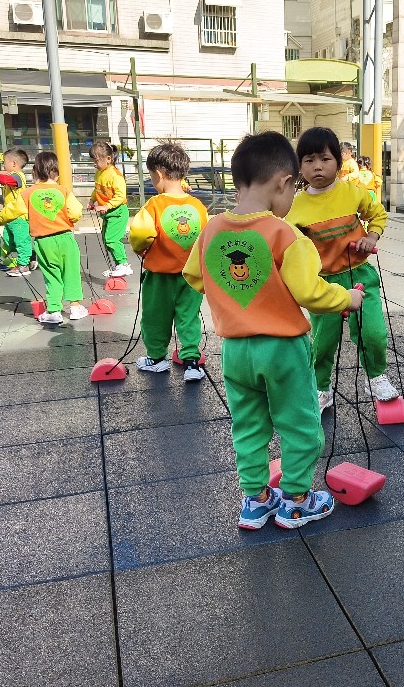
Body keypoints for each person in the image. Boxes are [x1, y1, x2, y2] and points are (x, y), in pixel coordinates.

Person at [182, 131, 363, 530]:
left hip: (235, 351)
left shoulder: (212, 229)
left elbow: (194, 276)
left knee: (248, 425)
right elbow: (310, 292)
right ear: (284, 182)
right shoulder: (285, 234)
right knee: (300, 424)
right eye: (294, 189)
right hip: (282, 348)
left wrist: (232, 295)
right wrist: (347, 299)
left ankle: (256, 500)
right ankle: (296, 500)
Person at [286, 127, 399, 413]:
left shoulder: (352, 192)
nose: (317, 166)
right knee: (323, 341)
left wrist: (370, 237)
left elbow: (378, 214)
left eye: (325, 159)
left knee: (372, 332)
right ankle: (321, 387)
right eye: (309, 160)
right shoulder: (295, 206)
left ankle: (376, 376)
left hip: (360, 276)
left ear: (338, 161)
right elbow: (287, 243)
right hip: (324, 283)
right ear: (300, 166)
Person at [129, 142, 209, 381]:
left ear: (159, 174)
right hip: (190, 276)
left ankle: (156, 358)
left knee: (155, 316)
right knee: (189, 317)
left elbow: (140, 234)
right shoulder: (198, 206)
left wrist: (141, 250)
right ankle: (192, 362)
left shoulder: (154, 205)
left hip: (160, 276)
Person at [23, 151, 87, 325]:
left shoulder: (27, 193)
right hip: (65, 238)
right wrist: (67, 219)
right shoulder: (63, 191)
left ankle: (53, 310)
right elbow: (76, 212)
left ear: (34, 172)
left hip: (43, 241)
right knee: (71, 272)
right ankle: (75, 307)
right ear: (57, 174)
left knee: (51, 275)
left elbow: (13, 211)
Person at [88, 141, 133, 278]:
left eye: (96, 160)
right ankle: (118, 265)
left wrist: (106, 206)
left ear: (108, 159)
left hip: (118, 212)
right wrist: (92, 200)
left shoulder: (115, 175)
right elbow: (97, 189)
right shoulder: (99, 173)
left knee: (112, 239)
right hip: (108, 213)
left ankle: (124, 265)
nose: (94, 164)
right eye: (93, 161)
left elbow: (120, 196)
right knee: (106, 239)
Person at [0, 148, 34, 276]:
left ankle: (23, 265)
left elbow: (5, 180)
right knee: (9, 241)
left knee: (21, 241)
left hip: (19, 216)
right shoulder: (11, 175)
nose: (4, 165)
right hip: (10, 216)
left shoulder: (18, 176)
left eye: (5, 162)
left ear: (13, 163)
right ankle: (30, 256)